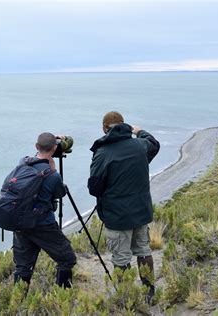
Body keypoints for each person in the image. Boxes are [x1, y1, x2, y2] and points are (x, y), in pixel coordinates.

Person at [88, 111, 160, 303]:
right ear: (124, 125)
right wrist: (140, 131)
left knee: (121, 259)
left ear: (104, 128)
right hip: (141, 211)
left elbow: (94, 188)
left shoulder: (103, 153)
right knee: (143, 251)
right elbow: (154, 144)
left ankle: (126, 298)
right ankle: (149, 294)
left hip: (117, 216)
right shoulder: (140, 146)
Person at [13, 132, 77, 288]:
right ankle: (62, 295)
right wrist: (54, 170)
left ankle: (18, 303)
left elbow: (38, 157)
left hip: (20, 221)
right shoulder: (52, 175)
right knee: (67, 259)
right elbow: (60, 193)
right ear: (55, 149)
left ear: (36, 147)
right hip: (42, 224)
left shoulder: (23, 162)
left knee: (23, 267)